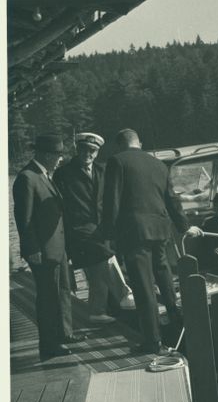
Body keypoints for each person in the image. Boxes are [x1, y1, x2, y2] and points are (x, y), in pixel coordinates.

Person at [102, 128, 202, 355]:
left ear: (120, 145)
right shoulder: (158, 164)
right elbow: (172, 200)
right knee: (165, 282)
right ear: (139, 143)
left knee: (144, 287)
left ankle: (152, 341)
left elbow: (112, 202)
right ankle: (178, 328)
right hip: (160, 232)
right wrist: (184, 227)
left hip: (134, 234)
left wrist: (108, 235)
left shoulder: (116, 162)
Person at [12, 134, 85, 360]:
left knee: (63, 291)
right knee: (48, 298)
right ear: (45, 154)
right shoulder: (28, 177)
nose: (61, 159)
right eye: (58, 155)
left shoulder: (44, 175)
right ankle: (49, 345)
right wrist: (32, 249)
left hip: (57, 247)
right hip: (42, 250)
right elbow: (24, 219)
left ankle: (64, 333)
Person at [54, 132, 135, 325]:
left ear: (98, 152)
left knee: (98, 271)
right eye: (84, 149)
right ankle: (126, 294)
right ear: (77, 149)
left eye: (92, 151)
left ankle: (97, 311)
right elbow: (60, 208)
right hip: (79, 231)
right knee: (105, 258)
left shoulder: (104, 170)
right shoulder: (63, 174)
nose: (87, 154)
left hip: (103, 230)